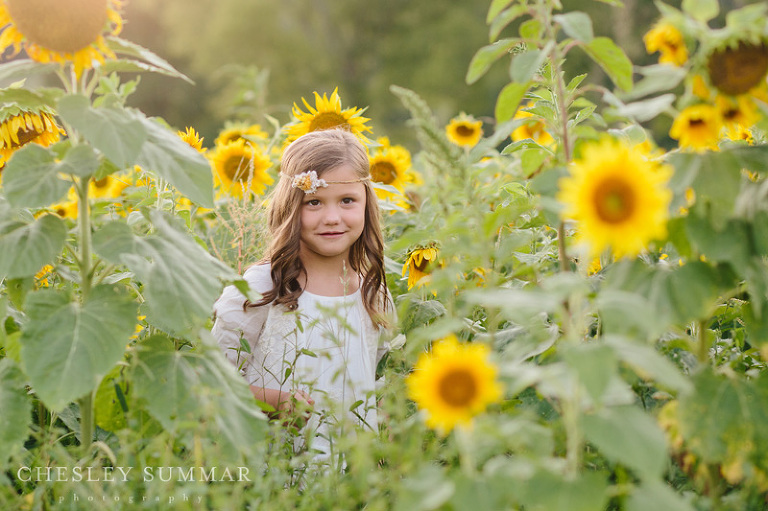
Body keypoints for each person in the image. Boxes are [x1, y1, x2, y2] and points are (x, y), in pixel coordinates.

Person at [211, 128, 394, 462]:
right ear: (289, 205)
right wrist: (270, 400)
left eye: (347, 201)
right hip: (275, 475)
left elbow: (374, 376)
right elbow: (212, 382)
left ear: (368, 203)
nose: (332, 217)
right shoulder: (262, 287)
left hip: (356, 477)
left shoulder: (372, 289)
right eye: (314, 202)